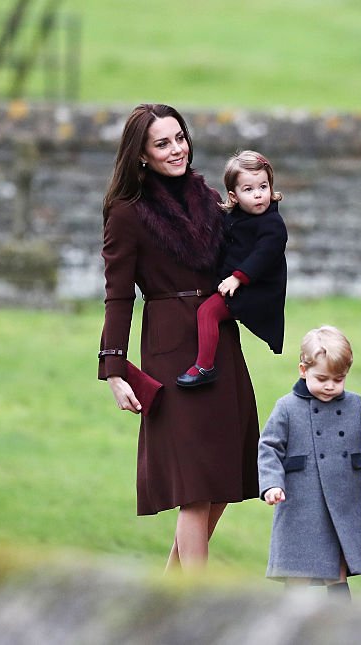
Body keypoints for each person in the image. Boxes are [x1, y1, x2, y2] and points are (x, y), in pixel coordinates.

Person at [98, 103, 260, 571]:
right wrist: (115, 369)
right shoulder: (127, 213)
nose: (176, 149)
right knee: (194, 486)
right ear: (142, 155)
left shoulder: (210, 198)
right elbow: (117, 296)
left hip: (220, 343)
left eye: (180, 137)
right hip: (170, 351)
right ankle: (196, 607)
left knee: (224, 475)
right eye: (162, 143)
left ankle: (168, 594)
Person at [258, 326, 361, 600]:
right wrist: (271, 484)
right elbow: (269, 447)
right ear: (303, 370)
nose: (330, 386)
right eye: (322, 378)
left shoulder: (353, 405)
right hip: (300, 503)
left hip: (341, 505)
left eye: (338, 379)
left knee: (336, 574)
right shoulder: (287, 407)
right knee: (298, 575)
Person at [176, 150, 289, 387]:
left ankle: (204, 366)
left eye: (263, 186)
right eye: (248, 189)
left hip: (256, 291)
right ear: (233, 196)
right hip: (234, 283)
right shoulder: (233, 218)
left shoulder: (273, 224)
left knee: (208, 312)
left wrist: (237, 278)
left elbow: (263, 255)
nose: (258, 195)